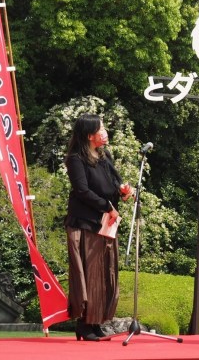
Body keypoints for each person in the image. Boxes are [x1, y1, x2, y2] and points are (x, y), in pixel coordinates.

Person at [64, 114, 134, 341]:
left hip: (106, 224)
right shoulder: (75, 159)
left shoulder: (105, 156)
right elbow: (82, 191)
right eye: (100, 128)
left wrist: (123, 192)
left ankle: (96, 322)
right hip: (86, 222)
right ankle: (84, 323)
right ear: (89, 135)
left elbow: (113, 185)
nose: (104, 132)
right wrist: (107, 206)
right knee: (88, 273)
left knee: (104, 273)